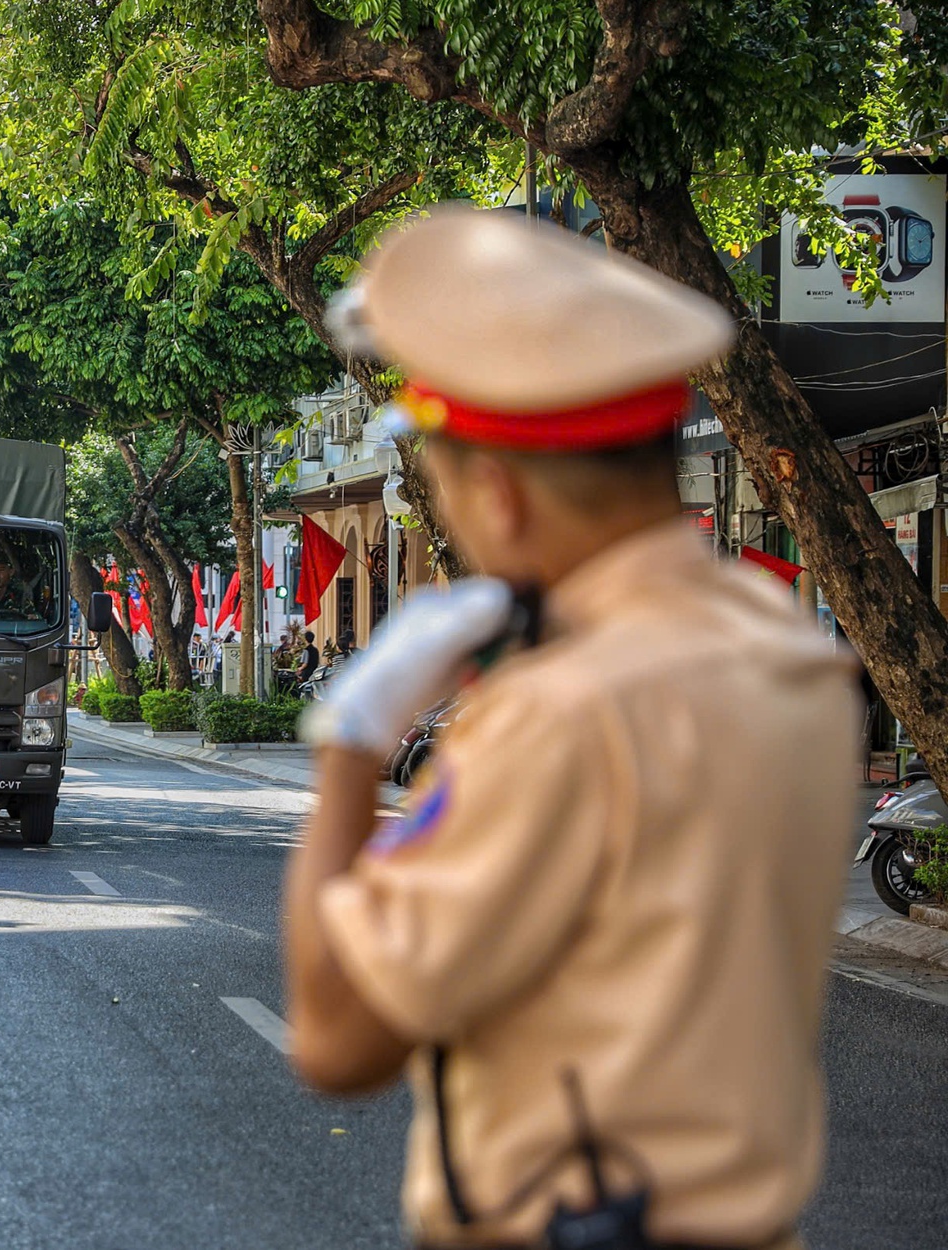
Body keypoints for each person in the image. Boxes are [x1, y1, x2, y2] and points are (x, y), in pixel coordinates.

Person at [286, 208, 857, 1250]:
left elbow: (334, 1033)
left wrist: (351, 741)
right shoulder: (793, 662)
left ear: (495, 492)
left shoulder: (559, 714)